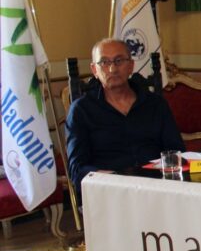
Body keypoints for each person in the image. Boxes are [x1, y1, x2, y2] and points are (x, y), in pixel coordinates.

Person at [65, 39, 185, 193]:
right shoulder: (81, 110)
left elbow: (176, 152)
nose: (112, 69)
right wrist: (113, 179)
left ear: (131, 66)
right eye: (104, 62)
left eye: (119, 60)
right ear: (94, 70)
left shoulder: (155, 104)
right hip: (109, 191)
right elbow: (77, 168)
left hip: (157, 187)